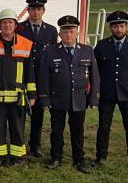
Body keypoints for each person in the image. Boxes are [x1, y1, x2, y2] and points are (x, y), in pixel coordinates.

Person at [39, 15, 99, 173]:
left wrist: (93, 98)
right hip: (57, 98)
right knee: (56, 130)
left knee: (78, 131)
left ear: (77, 32)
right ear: (59, 33)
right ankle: (56, 158)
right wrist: (44, 99)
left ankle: (78, 160)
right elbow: (43, 77)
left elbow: (95, 76)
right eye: (65, 31)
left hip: (79, 98)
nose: (68, 34)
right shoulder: (50, 51)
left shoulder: (86, 50)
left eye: (71, 31)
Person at [0, 9, 36, 167]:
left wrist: (32, 94)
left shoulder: (26, 44)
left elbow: (30, 72)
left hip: (18, 97)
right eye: (4, 22)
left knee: (18, 128)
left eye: (10, 22)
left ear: (15, 25)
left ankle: (18, 158)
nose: (7, 25)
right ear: (0, 25)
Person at [93, 11, 128, 170]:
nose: (119, 29)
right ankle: (101, 157)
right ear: (110, 28)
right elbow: (96, 68)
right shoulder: (102, 46)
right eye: (115, 26)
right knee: (104, 126)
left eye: (122, 26)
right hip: (107, 92)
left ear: (127, 27)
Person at [18, 0, 58, 158]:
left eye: (39, 9)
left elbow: (54, 53)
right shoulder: (19, 28)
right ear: (28, 10)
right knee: (20, 113)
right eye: (33, 9)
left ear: (43, 11)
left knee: (38, 114)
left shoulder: (51, 30)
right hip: (22, 75)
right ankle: (18, 143)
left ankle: (35, 146)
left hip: (42, 78)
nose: (36, 12)